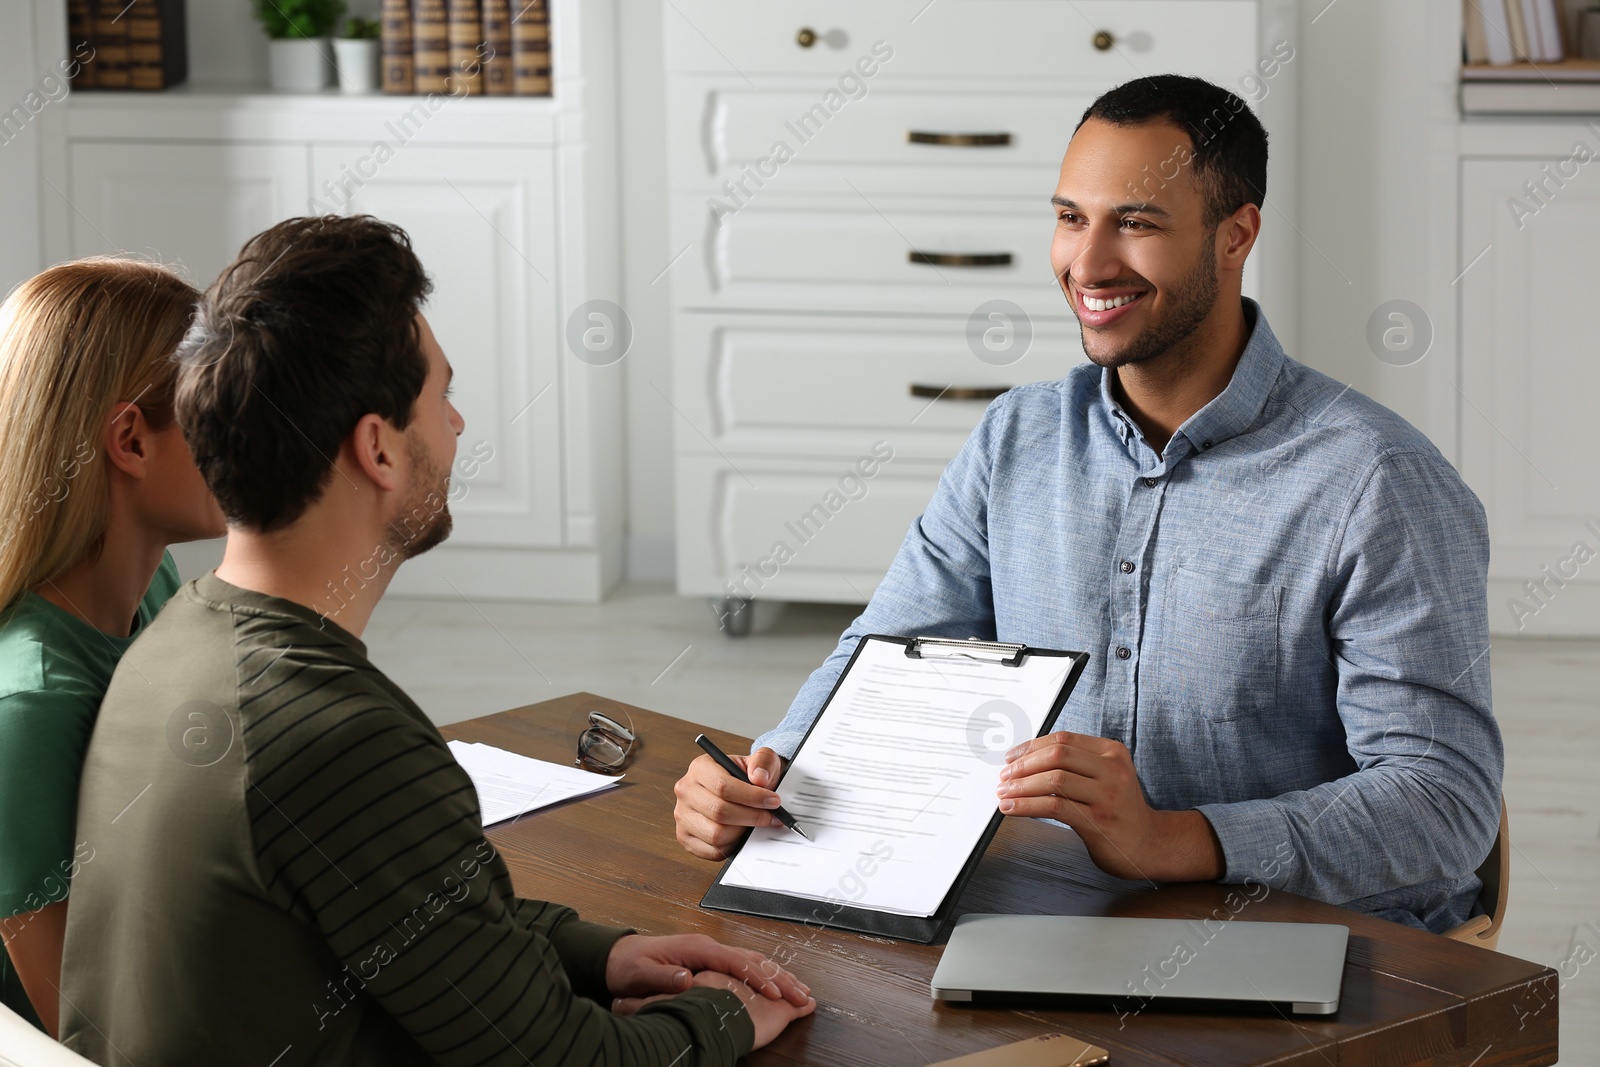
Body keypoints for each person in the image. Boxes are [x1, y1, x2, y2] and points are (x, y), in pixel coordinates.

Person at [673, 74, 1503, 934]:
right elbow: (886, 660)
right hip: (1061, 917)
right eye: (1072, 218)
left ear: (1236, 235)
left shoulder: (1380, 480)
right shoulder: (1016, 436)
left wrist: (1175, 839)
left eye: (1136, 224)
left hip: (1307, 941)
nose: (1089, 264)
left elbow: (1445, 805)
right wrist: (769, 776)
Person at [59, 216, 813, 1066]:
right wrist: (724, 1017)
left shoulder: (169, 644)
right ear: (378, 447)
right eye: (439, 397)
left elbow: (407, 913)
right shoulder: (340, 737)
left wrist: (602, 952)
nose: (456, 426)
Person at [0, 258, 226, 1036]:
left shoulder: (154, 583)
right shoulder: (30, 701)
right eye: (214, 408)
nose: (244, 433)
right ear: (130, 438)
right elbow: (85, 1025)